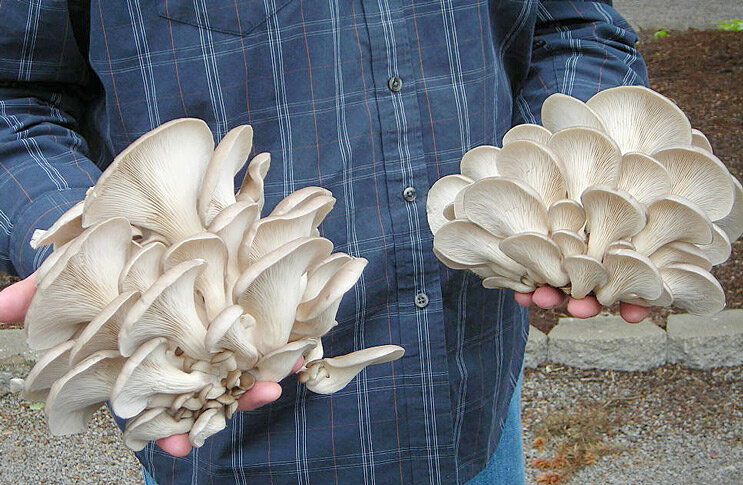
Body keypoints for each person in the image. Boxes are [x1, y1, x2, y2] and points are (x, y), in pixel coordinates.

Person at [0, 1, 649, 483]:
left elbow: (576, 29)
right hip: (240, 444)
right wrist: (95, 259)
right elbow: (15, 96)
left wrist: (566, 196)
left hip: (469, 404)